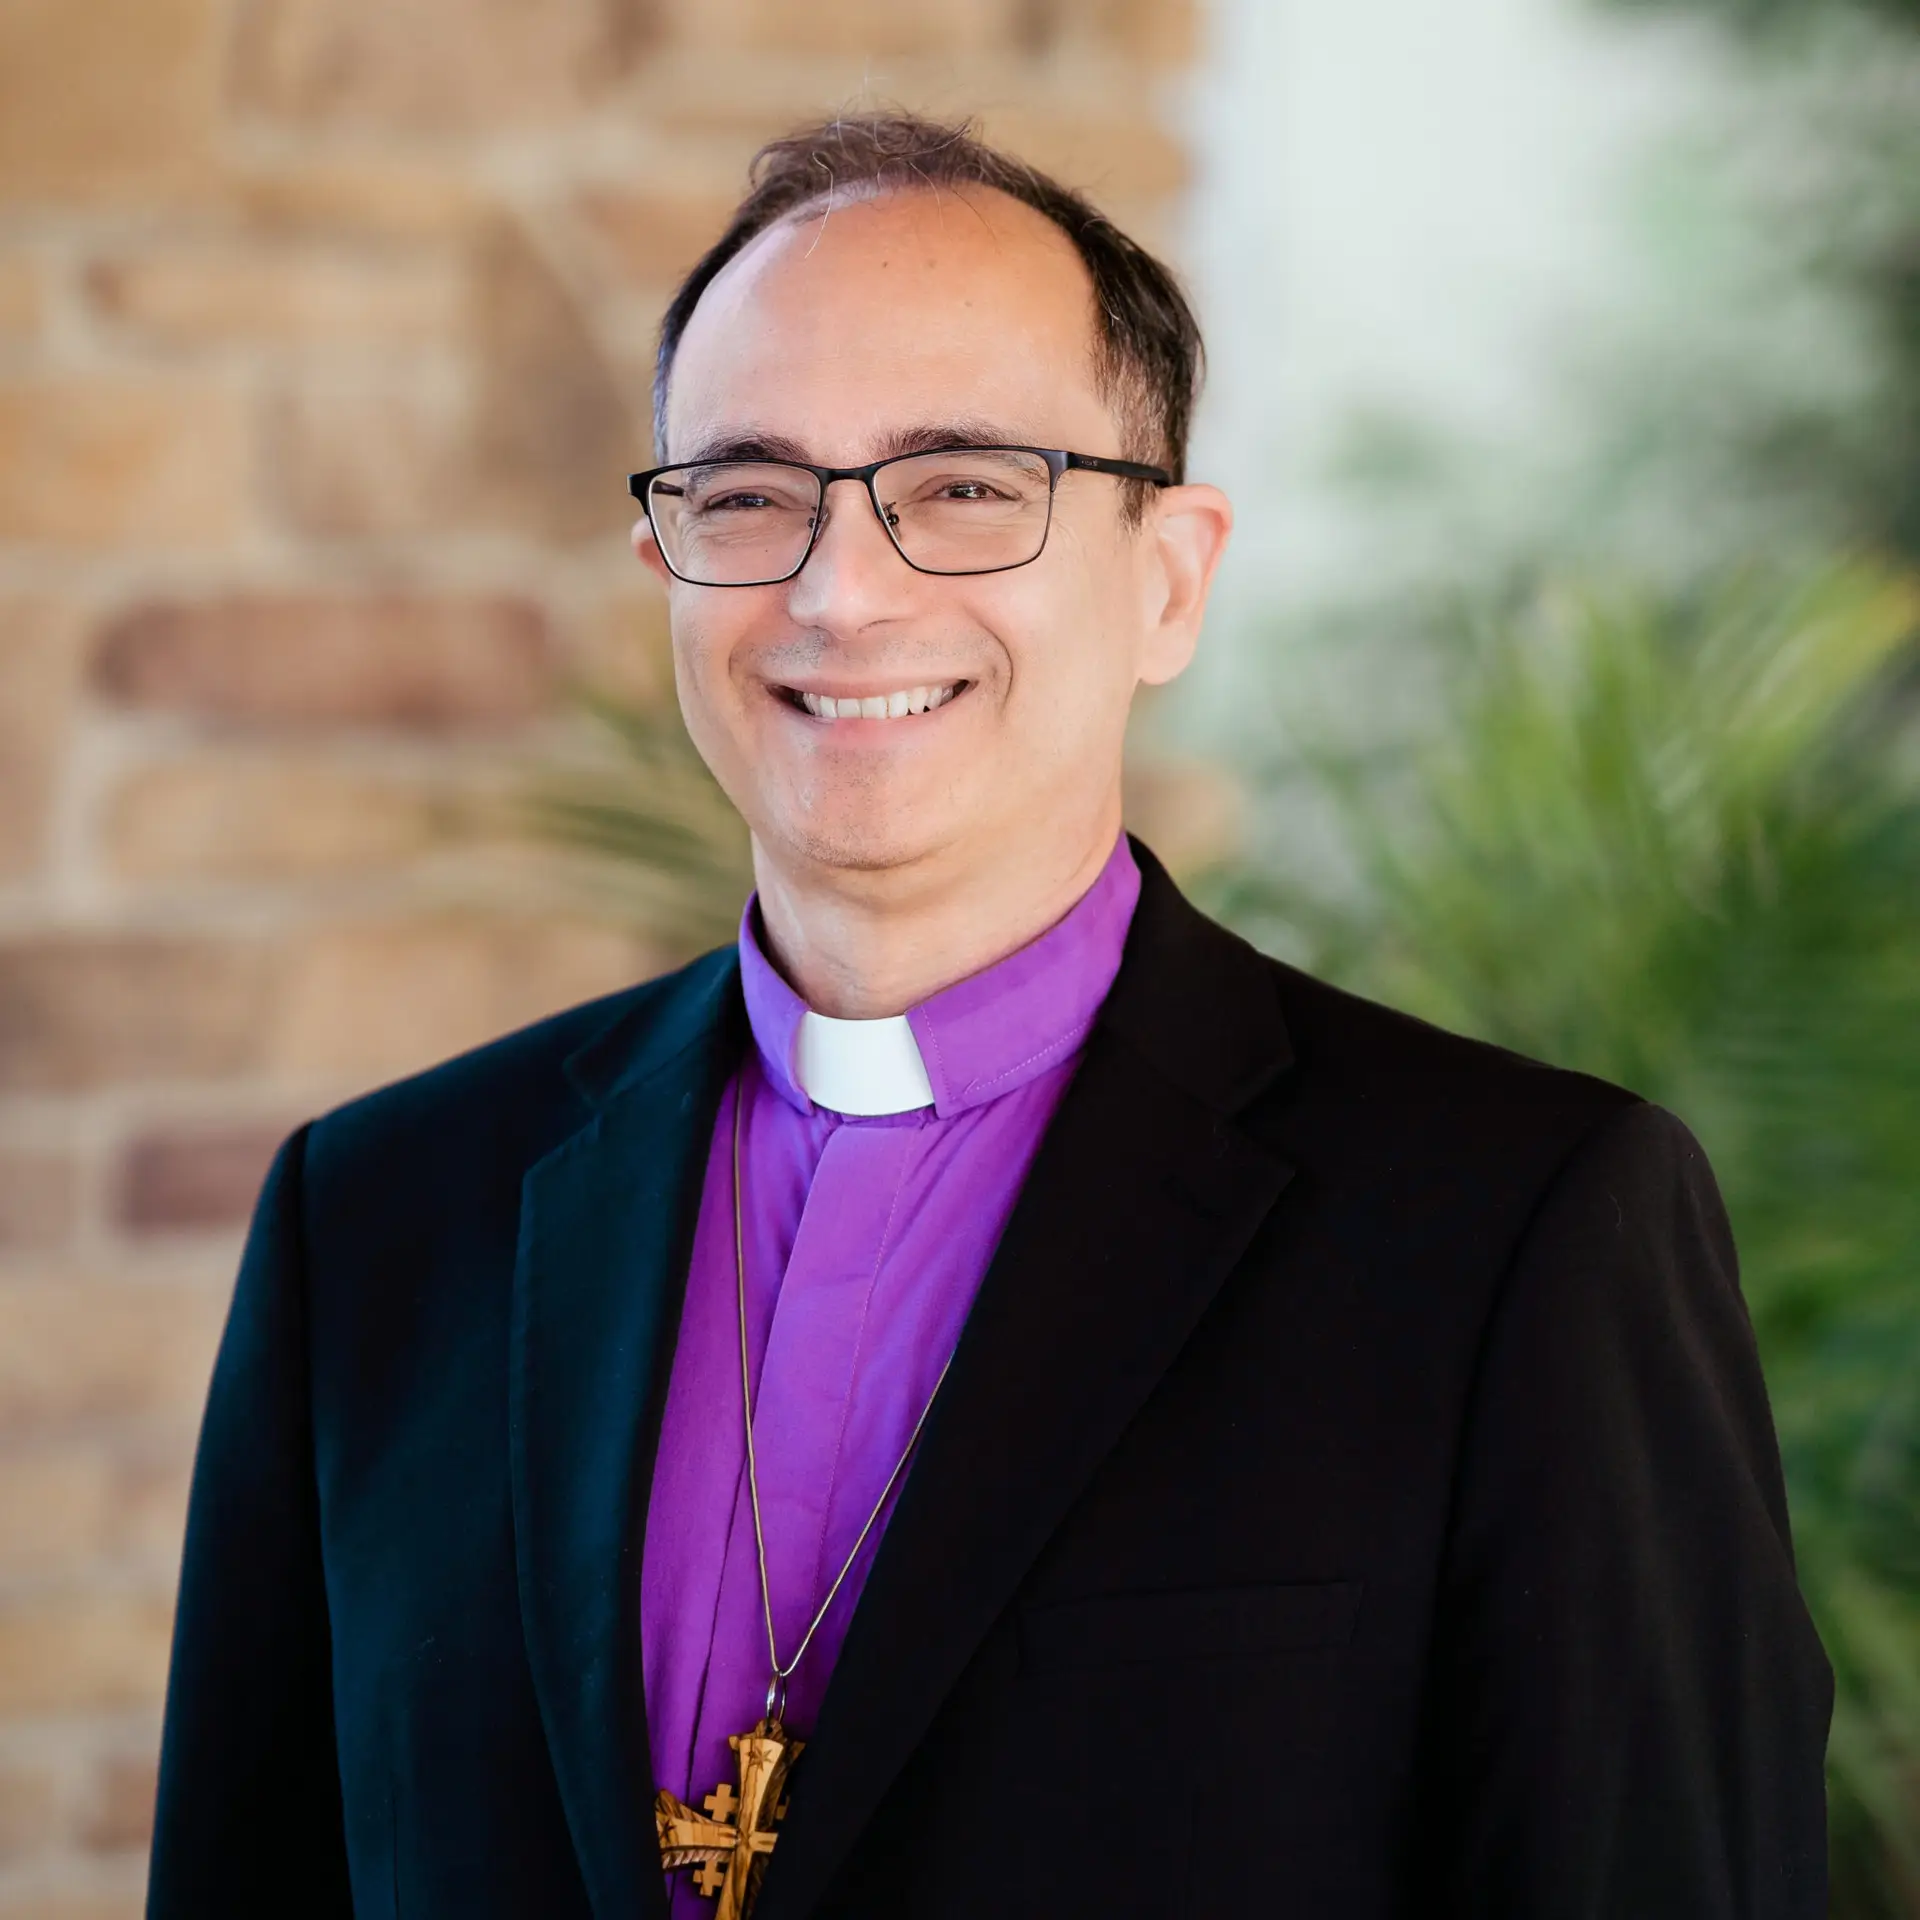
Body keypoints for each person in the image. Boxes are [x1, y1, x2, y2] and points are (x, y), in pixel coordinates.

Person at [147, 112, 1833, 1920]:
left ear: (1169, 578)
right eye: (748, 494)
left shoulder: (1514, 1232)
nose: (839, 589)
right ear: (668, 576)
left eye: (963, 486)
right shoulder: (382, 1220)